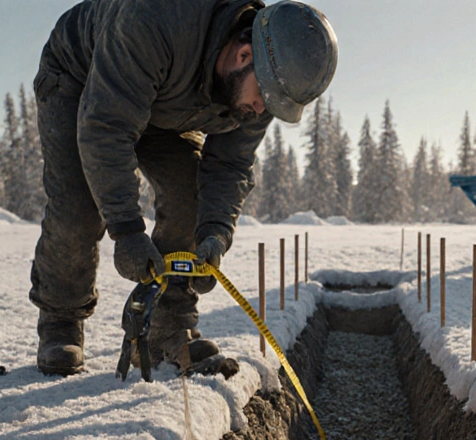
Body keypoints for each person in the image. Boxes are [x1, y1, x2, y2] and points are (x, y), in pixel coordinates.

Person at [29, 0, 337, 376]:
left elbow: (229, 166)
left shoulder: (264, 83)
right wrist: (126, 228)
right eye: (263, 99)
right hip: (81, 78)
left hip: (168, 102)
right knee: (78, 207)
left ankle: (169, 326)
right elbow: (106, 129)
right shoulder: (154, 19)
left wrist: (215, 234)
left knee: (188, 195)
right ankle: (61, 320)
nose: (261, 111)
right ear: (243, 55)